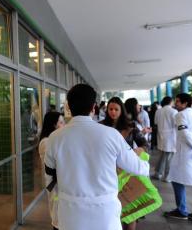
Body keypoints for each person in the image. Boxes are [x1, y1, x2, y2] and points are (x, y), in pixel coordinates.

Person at [44, 84, 149, 230]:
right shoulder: (111, 135)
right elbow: (139, 168)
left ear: (68, 107)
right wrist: (144, 161)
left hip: (70, 213)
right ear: (94, 108)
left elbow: (50, 175)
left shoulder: (55, 138)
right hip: (104, 213)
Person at [100, 97, 148, 230]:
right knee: (112, 208)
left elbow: (144, 143)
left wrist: (140, 149)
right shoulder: (100, 125)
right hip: (107, 171)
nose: (113, 112)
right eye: (110, 109)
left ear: (122, 110)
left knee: (130, 208)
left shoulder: (130, 126)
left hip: (127, 172)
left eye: (116, 109)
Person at [164, 93, 192, 223]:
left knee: (177, 180)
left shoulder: (180, 115)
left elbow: (184, 133)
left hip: (185, 155)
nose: (175, 104)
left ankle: (182, 210)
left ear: (185, 104)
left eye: (178, 102)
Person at [38, 111, 65, 230]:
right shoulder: (46, 142)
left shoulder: (56, 140)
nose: (64, 125)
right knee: (57, 215)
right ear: (53, 125)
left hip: (61, 183)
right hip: (55, 184)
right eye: (61, 122)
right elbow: (54, 164)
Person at [152, 96, 177, 182]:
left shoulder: (158, 111)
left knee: (161, 156)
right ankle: (167, 176)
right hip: (171, 137)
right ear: (170, 102)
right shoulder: (173, 111)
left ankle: (157, 173)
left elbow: (156, 123)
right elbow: (176, 124)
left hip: (161, 136)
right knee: (169, 158)